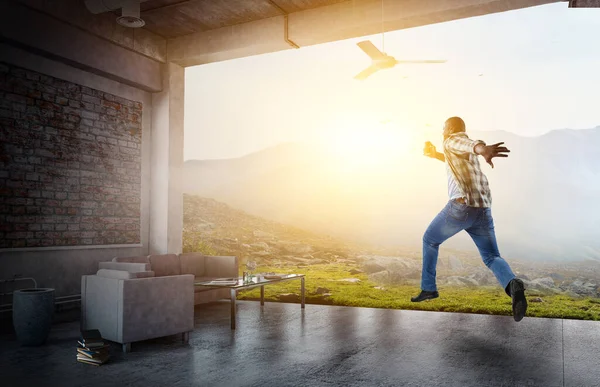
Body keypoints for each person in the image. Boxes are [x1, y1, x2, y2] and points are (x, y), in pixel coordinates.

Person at [411, 116, 527, 322]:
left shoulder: (453, 140)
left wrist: (483, 149)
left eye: (444, 128)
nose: (442, 132)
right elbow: (461, 152)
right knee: (492, 257)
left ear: (450, 129)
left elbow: (470, 145)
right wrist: (435, 154)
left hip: (461, 208)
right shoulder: (458, 150)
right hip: (483, 210)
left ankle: (428, 288)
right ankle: (513, 284)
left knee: (430, 240)